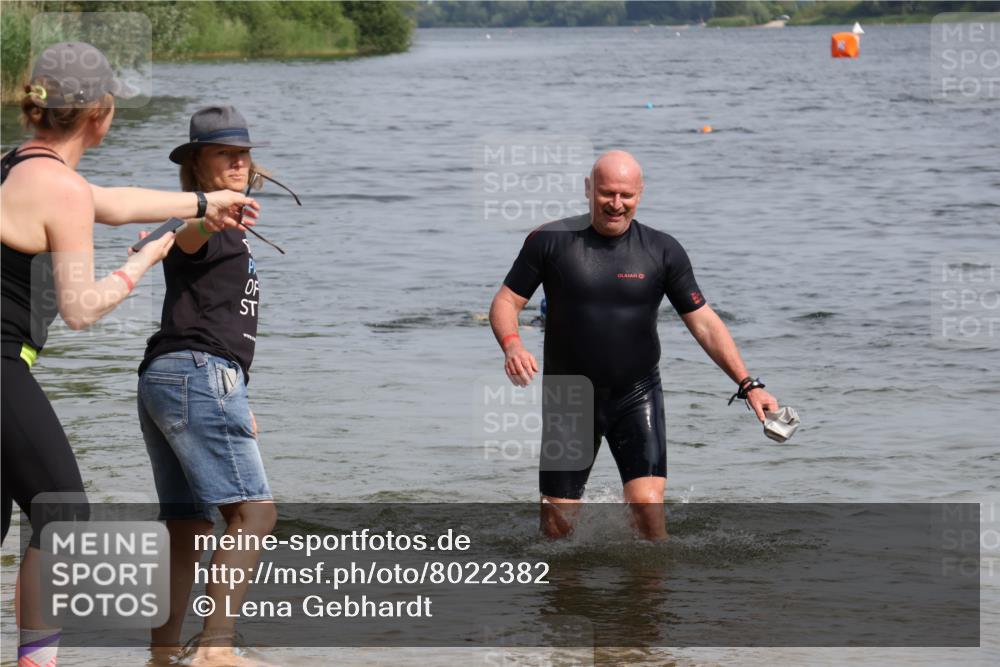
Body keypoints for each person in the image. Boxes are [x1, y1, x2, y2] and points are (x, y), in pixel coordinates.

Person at [0, 42, 257, 667]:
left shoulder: (15, 164)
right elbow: (83, 308)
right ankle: (38, 661)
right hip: (3, 363)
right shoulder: (60, 187)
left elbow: (112, 202)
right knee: (63, 513)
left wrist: (202, 203)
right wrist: (145, 259)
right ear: (102, 114)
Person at [489, 150, 779, 540]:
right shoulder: (550, 241)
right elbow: (506, 302)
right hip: (570, 398)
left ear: (640, 194)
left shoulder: (662, 251)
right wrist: (512, 345)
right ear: (588, 190)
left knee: (648, 513)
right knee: (557, 530)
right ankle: (566, 598)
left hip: (636, 393)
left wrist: (748, 383)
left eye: (626, 195)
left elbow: (706, 324)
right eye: (607, 193)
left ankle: (649, 597)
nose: (616, 204)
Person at [137, 106, 279, 667]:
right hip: (194, 373)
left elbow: (218, 318)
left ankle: (163, 653)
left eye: (242, 152)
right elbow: (185, 239)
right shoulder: (199, 225)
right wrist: (205, 216)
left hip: (177, 378)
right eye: (224, 153)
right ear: (197, 166)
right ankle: (216, 648)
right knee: (257, 514)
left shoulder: (231, 232)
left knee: (189, 527)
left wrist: (236, 392)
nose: (239, 161)